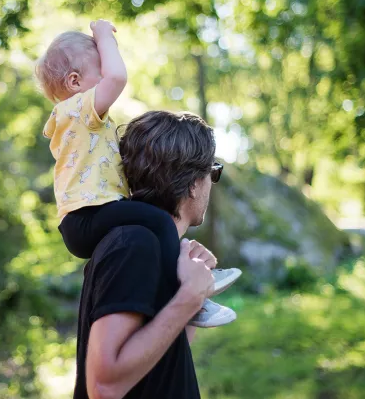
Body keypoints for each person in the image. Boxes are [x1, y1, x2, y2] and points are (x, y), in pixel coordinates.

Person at [36, 19, 240, 327]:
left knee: (153, 222)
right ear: (75, 81)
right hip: (87, 216)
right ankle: (187, 292)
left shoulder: (81, 123)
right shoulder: (78, 111)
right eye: (100, 69)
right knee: (159, 221)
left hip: (86, 217)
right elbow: (118, 77)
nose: (107, 75)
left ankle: (191, 291)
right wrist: (104, 36)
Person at [74, 110, 224, 398]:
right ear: (194, 184)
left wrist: (190, 291)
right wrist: (188, 297)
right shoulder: (134, 244)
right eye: (213, 172)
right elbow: (104, 387)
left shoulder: (150, 244)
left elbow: (160, 361)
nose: (211, 183)